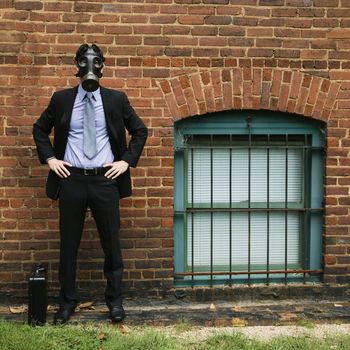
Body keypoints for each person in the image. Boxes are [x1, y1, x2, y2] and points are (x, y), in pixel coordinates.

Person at [32, 44, 148, 324]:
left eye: (96, 62)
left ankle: (115, 302)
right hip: (70, 179)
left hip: (105, 180)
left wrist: (126, 161)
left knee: (112, 244)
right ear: (77, 64)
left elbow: (140, 130)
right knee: (68, 245)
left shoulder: (116, 99)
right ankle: (67, 302)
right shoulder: (61, 99)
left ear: (103, 66)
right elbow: (39, 128)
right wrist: (50, 158)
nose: (90, 66)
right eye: (84, 61)